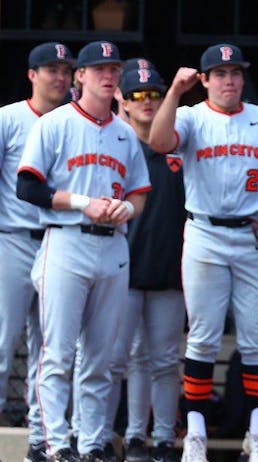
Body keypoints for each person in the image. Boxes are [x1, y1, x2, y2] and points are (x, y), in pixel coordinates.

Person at [148, 43, 258, 462]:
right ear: (204, 80)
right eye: (219, 74)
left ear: (243, 78)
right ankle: (196, 435)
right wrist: (173, 91)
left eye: (235, 73)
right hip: (204, 234)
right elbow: (159, 140)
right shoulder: (190, 116)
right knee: (203, 339)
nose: (229, 80)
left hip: (255, 238)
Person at [17, 40, 151, 462]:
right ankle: (56, 443)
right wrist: (81, 202)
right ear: (80, 76)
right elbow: (28, 186)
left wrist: (126, 208)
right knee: (56, 352)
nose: (108, 75)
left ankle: (91, 443)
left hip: (112, 246)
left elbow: (140, 192)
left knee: (101, 357)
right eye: (98, 69)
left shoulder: (124, 133)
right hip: (66, 238)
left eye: (113, 69)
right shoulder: (55, 123)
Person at [103, 62, 187, 462]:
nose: (147, 101)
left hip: (170, 269)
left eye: (153, 93)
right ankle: (123, 436)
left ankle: (164, 438)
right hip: (122, 268)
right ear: (122, 98)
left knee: (166, 360)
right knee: (121, 357)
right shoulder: (114, 142)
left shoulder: (176, 145)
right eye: (137, 94)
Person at [0, 43, 74, 462]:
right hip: (11, 238)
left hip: (58, 240)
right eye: (51, 69)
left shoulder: (75, 121)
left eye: (66, 70)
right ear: (32, 74)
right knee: (2, 341)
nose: (59, 77)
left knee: (50, 347)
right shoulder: (8, 118)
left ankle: (40, 435)